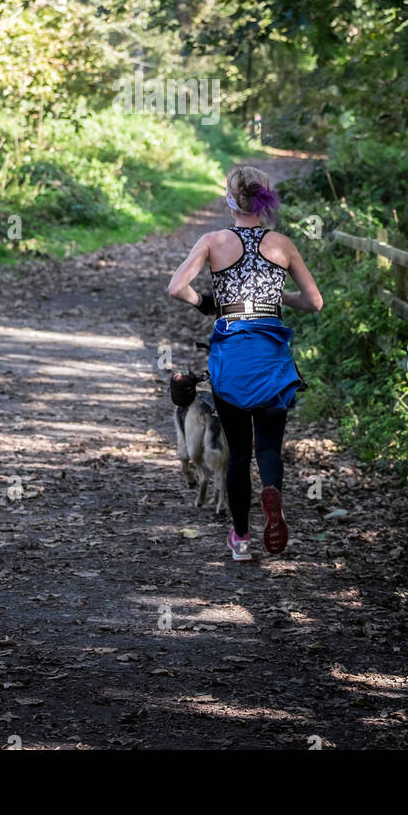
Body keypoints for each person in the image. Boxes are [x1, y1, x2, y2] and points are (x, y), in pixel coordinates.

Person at [166, 165, 323, 561]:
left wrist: (207, 304)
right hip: (271, 358)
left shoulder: (213, 240)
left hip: (231, 359)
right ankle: (272, 493)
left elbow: (176, 287)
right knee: (268, 447)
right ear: (263, 199)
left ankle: (241, 539)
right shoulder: (282, 244)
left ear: (230, 199)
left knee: (238, 453)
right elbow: (315, 302)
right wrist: (275, 298)